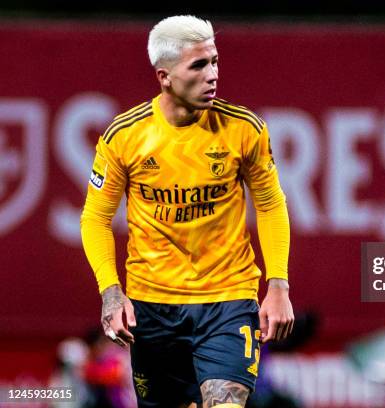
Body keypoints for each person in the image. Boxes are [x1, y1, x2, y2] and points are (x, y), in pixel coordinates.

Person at [81, 15, 294, 408]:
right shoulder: (124, 137)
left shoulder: (245, 129)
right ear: (164, 76)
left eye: (214, 61)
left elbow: (270, 203)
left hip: (228, 299)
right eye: (198, 65)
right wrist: (111, 293)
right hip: (152, 306)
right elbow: (94, 218)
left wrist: (278, 285)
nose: (212, 74)